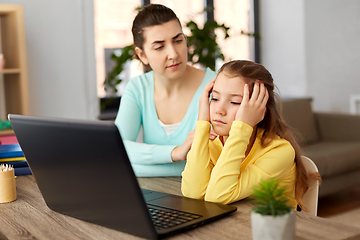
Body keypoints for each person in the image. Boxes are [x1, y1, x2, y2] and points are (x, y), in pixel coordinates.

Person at [181, 60, 318, 210]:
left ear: (259, 110)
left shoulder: (280, 152)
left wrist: (242, 128)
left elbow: (217, 197)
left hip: (275, 229)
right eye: (214, 98)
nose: (219, 110)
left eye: (234, 102)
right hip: (232, 226)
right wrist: (202, 124)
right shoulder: (211, 142)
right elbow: (192, 193)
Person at [114, 4, 217, 177]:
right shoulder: (138, 88)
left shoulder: (216, 87)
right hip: (154, 193)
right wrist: (175, 153)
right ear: (142, 55)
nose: (174, 54)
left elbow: (214, 162)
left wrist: (135, 168)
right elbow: (117, 149)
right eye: (159, 47)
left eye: (178, 41)